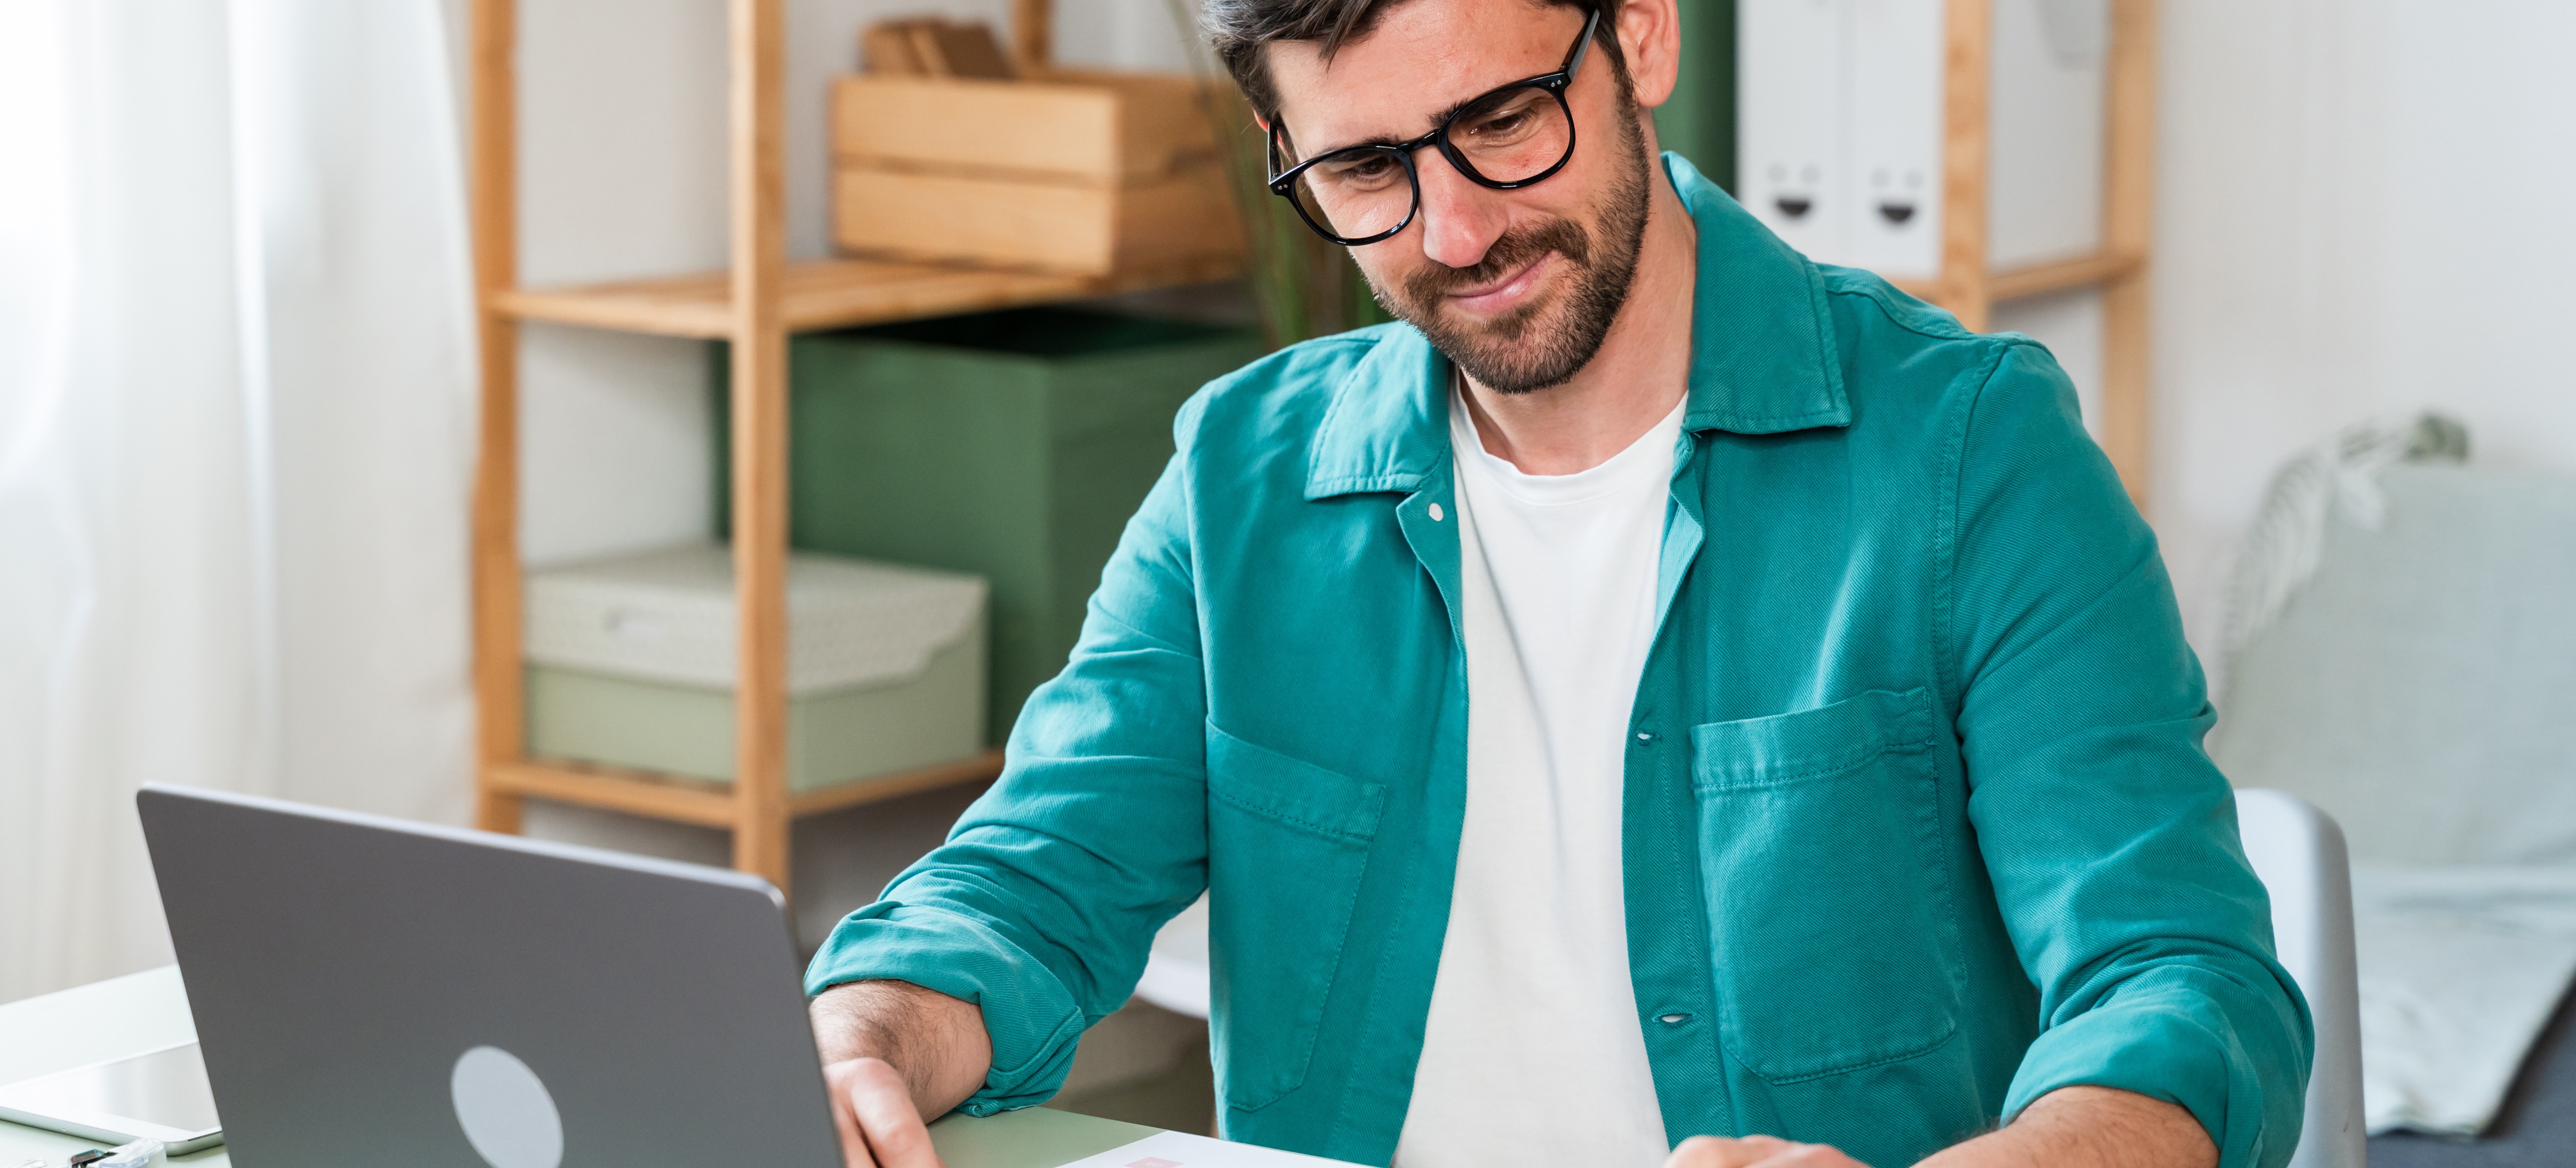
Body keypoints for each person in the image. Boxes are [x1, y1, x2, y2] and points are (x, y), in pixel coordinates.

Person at [803, 0, 2312, 1165]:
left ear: (1638, 34)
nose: (1456, 232)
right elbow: (1029, 886)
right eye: (1364, 169)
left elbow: (2180, 982)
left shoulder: (1972, 453)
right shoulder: (1241, 477)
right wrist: (863, 1030)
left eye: (1505, 120)